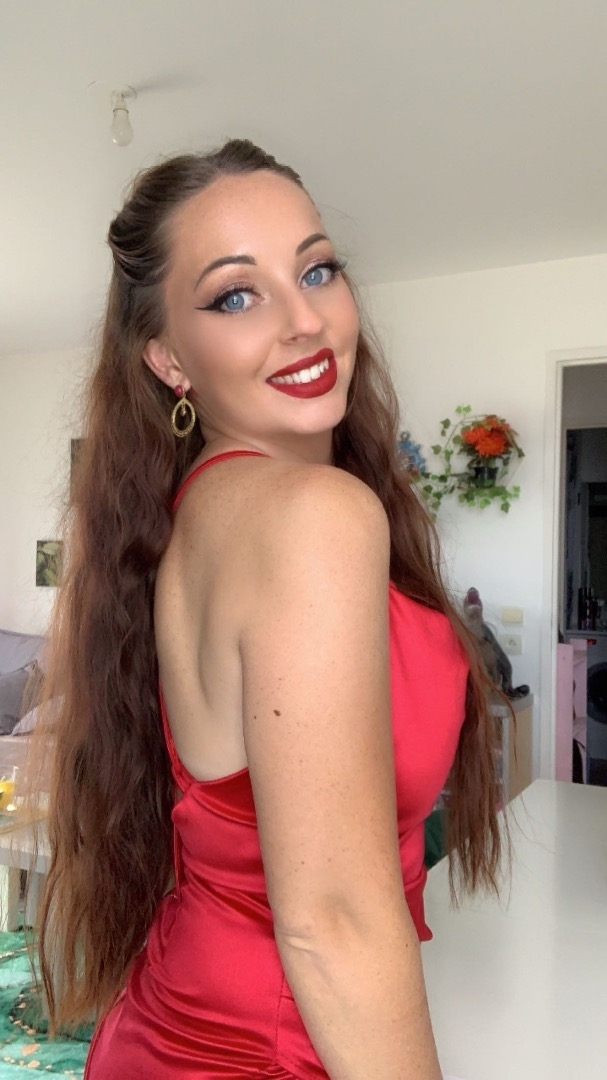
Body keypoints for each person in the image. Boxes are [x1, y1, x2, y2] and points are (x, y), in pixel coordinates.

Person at [35, 139, 503, 1079]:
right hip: (260, 1054)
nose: (305, 320)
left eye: (317, 270)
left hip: (194, 1028)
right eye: (235, 296)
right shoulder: (309, 517)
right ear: (167, 358)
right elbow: (331, 922)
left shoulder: (206, 511)